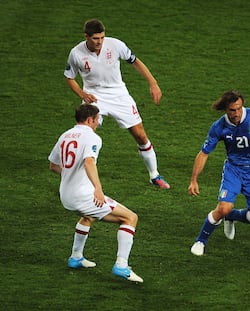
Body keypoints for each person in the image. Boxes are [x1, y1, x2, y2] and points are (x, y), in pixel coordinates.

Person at [64, 19, 170, 189]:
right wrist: (83, 94)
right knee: (85, 135)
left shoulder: (115, 45)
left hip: (119, 95)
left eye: (102, 38)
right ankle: (77, 179)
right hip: (94, 97)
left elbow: (135, 61)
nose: (99, 42)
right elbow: (69, 77)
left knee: (140, 135)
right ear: (86, 37)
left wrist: (153, 83)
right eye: (95, 38)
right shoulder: (76, 53)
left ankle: (154, 175)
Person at [48, 104, 143, 283]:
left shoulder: (65, 135)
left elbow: (53, 166)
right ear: (90, 119)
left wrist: (70, 175)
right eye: (98, 118)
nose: (99, 122)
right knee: (130, 217)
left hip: (65, 195)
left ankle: (76, 257)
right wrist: (98, 189)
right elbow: (89, 162)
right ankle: (121, 265)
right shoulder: (92, 137)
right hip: (82, 196)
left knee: (88, 216)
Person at [188, 90, 250, 256]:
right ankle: (200, 241)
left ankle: (231, 217)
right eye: (232, 110)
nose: (236, 113)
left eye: (239, 108)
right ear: (225, 109)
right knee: (223, 208)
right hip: (234, 170)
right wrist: (194, 179)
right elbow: (203, 153)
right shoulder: (219, 127)